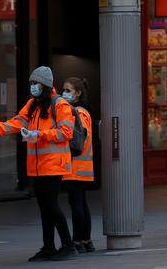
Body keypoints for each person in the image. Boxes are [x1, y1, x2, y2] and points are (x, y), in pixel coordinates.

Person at [0, 66, 78, 261]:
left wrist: (39, 135)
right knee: (45, 206)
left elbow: (66, 133)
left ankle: (68, 246)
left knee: (51, 205)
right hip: (38, 166)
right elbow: (15, 123)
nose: (32, 87)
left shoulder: (60, 105)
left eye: (35, 83)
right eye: (31, 83)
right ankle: (49, 247)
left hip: (53, 165)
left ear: (44, 85)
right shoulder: (33, 104)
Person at [60, 77, 96, 253]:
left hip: (74, 166)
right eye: (64, 90)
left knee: (76, 204)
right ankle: (87, 240)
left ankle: (77, 241)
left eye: (68, 90)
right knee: (81, 203)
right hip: (85, 166)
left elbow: (74, 139)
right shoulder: (86, 112)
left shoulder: (76, 112)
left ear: (78, 93)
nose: (64, 93)